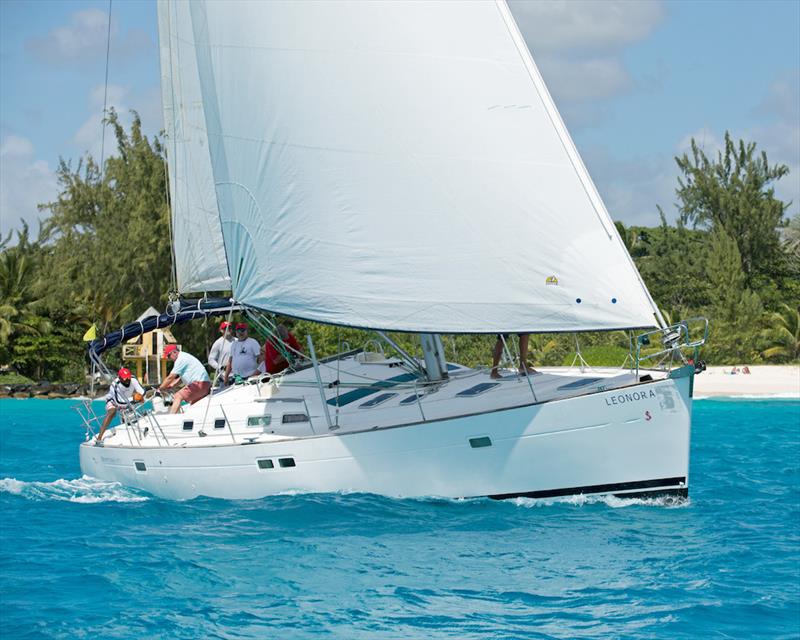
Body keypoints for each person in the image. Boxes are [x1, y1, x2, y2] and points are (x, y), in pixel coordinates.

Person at [97, 367, 145, 444]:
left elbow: (142, 391)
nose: (127, 381)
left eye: (128, 378)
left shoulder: (133, 380)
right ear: (120, 378)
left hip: (127, 400)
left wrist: (139, 396)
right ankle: (99, 438)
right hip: (113, 401)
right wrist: (134, 398)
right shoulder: (115, 385)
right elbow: (119, 402)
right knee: (112, 412)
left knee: (134, 415)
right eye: (125, 379)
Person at [160, 344, 211, 413]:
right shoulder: (184, 356)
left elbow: (171, 377)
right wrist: (172, 385)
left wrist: (160, 389)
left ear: (174, 352)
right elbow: (181, 378)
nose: (169, 358)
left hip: (199, 384)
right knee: (192, 407)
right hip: (204, 385)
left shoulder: (180, 359)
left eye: (169, 356)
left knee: (178, 396)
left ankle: (170, 419)